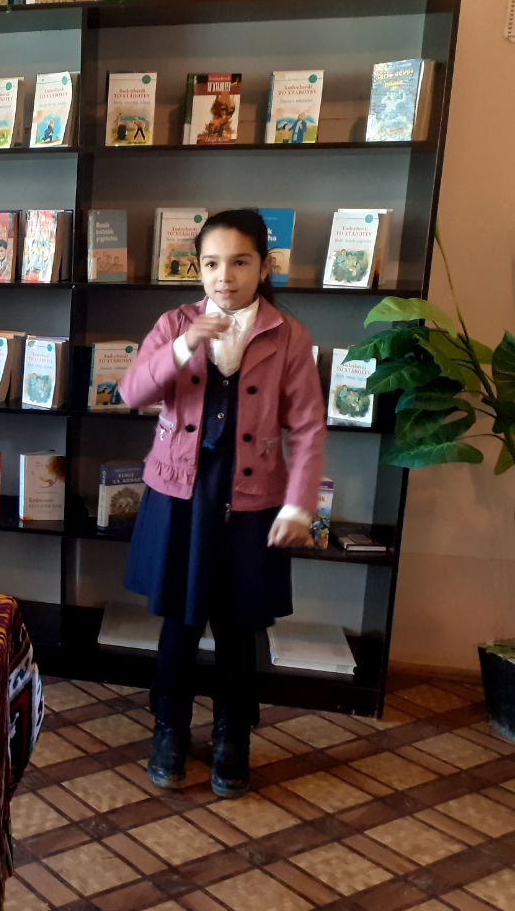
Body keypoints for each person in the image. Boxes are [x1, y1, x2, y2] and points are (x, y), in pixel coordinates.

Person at [118, 208, 326, 799]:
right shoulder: (174, 322)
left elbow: (308, 428)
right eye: (211, 263)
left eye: (239, 262)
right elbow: (132, 391)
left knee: (239, 627)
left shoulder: (289, 335)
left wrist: (299, 506)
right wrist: (184, 346)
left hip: (253, 501)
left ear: (264, 266)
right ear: (198, 268)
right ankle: (169, 728)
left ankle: (234, 735)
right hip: (180, 494)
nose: (224, 277)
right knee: (180, 623)